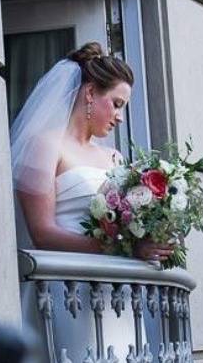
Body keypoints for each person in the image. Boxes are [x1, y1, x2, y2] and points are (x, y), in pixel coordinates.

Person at [11, 42, 172, 360]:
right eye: (116, 103)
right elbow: (42, 233)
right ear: (89, 94)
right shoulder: (45, 145)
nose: (120, 117)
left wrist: (152, 233)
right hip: (69, 290)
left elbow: (128, 223)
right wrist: (122, 248)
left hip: (117, 294)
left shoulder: (114, 158)